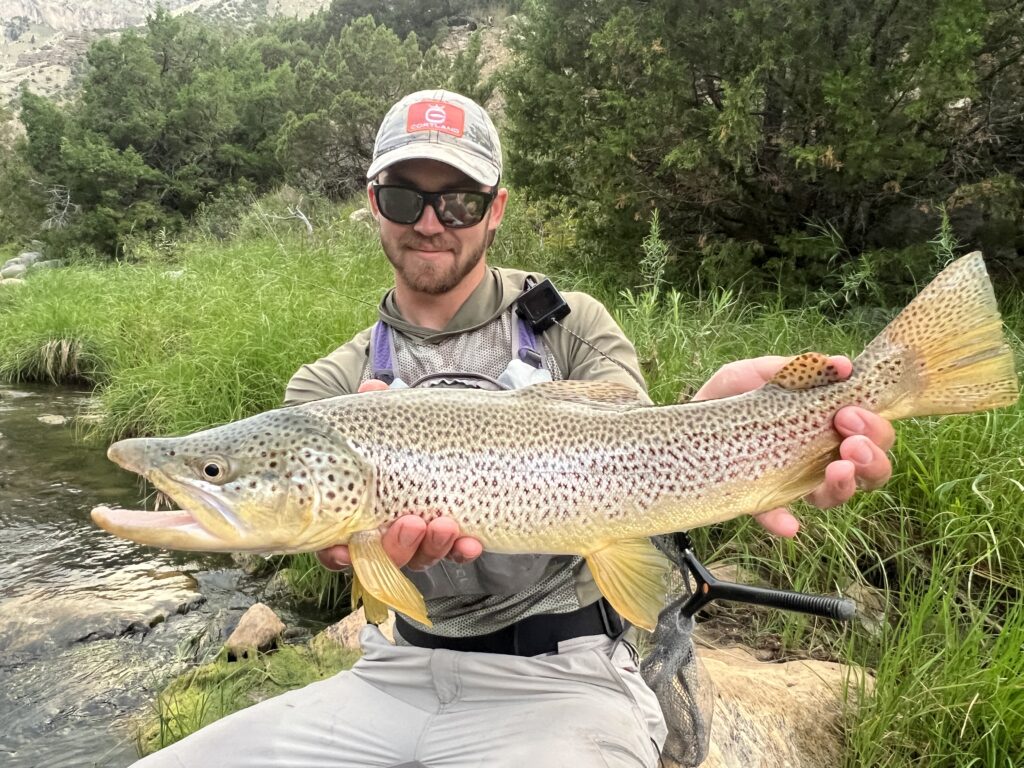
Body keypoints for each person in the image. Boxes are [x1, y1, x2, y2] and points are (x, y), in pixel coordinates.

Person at [134, 89, 894, 767]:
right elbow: (321, 542)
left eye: (459, 200)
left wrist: (733, 419)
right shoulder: (327, 386)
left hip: (565, 678)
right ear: (373, 204)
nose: (432, 222)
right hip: (392, 672)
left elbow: (632, 459)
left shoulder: (571, 322)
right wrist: (342, 544)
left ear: (495, 208)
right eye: (405, 198)